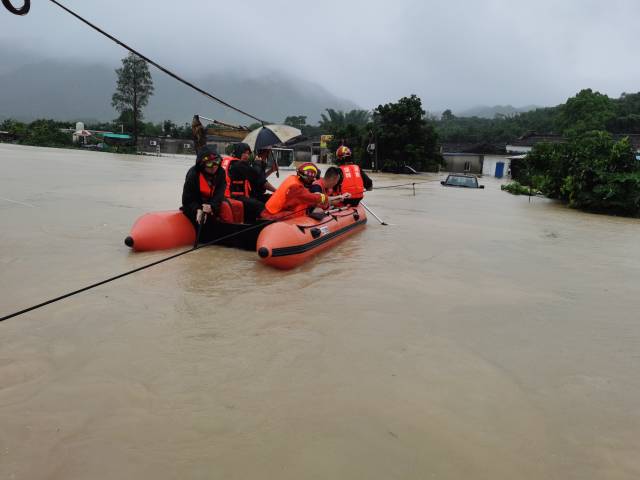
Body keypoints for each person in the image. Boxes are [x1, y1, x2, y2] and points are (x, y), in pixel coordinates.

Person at [181, 146, 226, 237]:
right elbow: (187, 199)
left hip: (212, 205)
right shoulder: (193, 175)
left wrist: (212, 206)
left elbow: (219, 193)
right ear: (202, 164)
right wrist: (198, 209)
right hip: (195, 206)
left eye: (216, 162)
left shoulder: (221, 172)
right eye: (209, 163)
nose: (214, 166)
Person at [261, 162, 329, 219]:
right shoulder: (296, 187)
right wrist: (324, 197)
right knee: (296, 214)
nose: (313, 181)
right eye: (312, 179)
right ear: (307, 178)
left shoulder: (292, 178)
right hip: (273, 216)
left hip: (271, 211)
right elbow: (311, 198)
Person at [220, 142, 267, 223]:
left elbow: (256, 178)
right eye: (244, 153)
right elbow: (256, 173)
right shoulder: (238, 165)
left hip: (227, 195)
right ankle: (259, 226)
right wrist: (258, 163)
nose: (246, 156)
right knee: (260, 205)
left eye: (248, 153)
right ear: (238, 152)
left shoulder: (231, 162)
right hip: (234, 196)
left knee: (256, 199)